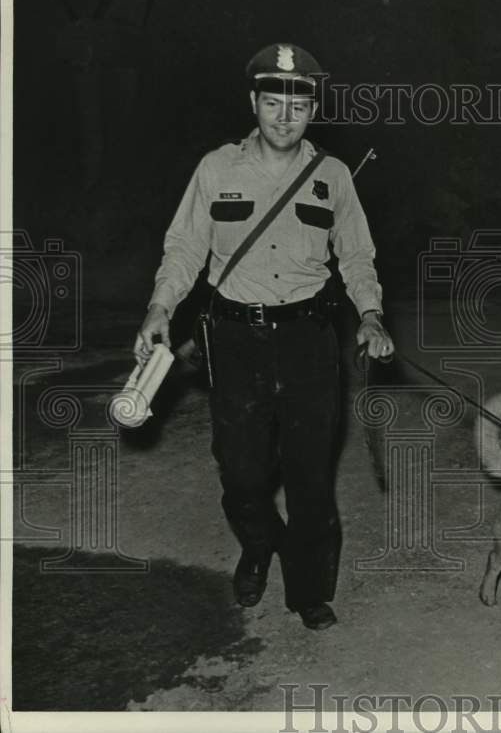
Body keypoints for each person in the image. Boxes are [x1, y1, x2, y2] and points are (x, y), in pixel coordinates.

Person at [133, 43, 394, 630]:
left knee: (310, 480)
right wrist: (159, 307)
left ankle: (309, 591)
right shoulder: (216, 168)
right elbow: (184, 248)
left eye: (296, 105)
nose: (284, 116)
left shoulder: (332, 177)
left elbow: (357, 255)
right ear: (254, 103)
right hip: (236, 338)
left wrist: (371, 314)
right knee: (241, 473)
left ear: (312, 108)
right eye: (272, 102)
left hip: (309, 340)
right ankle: (259, 545)